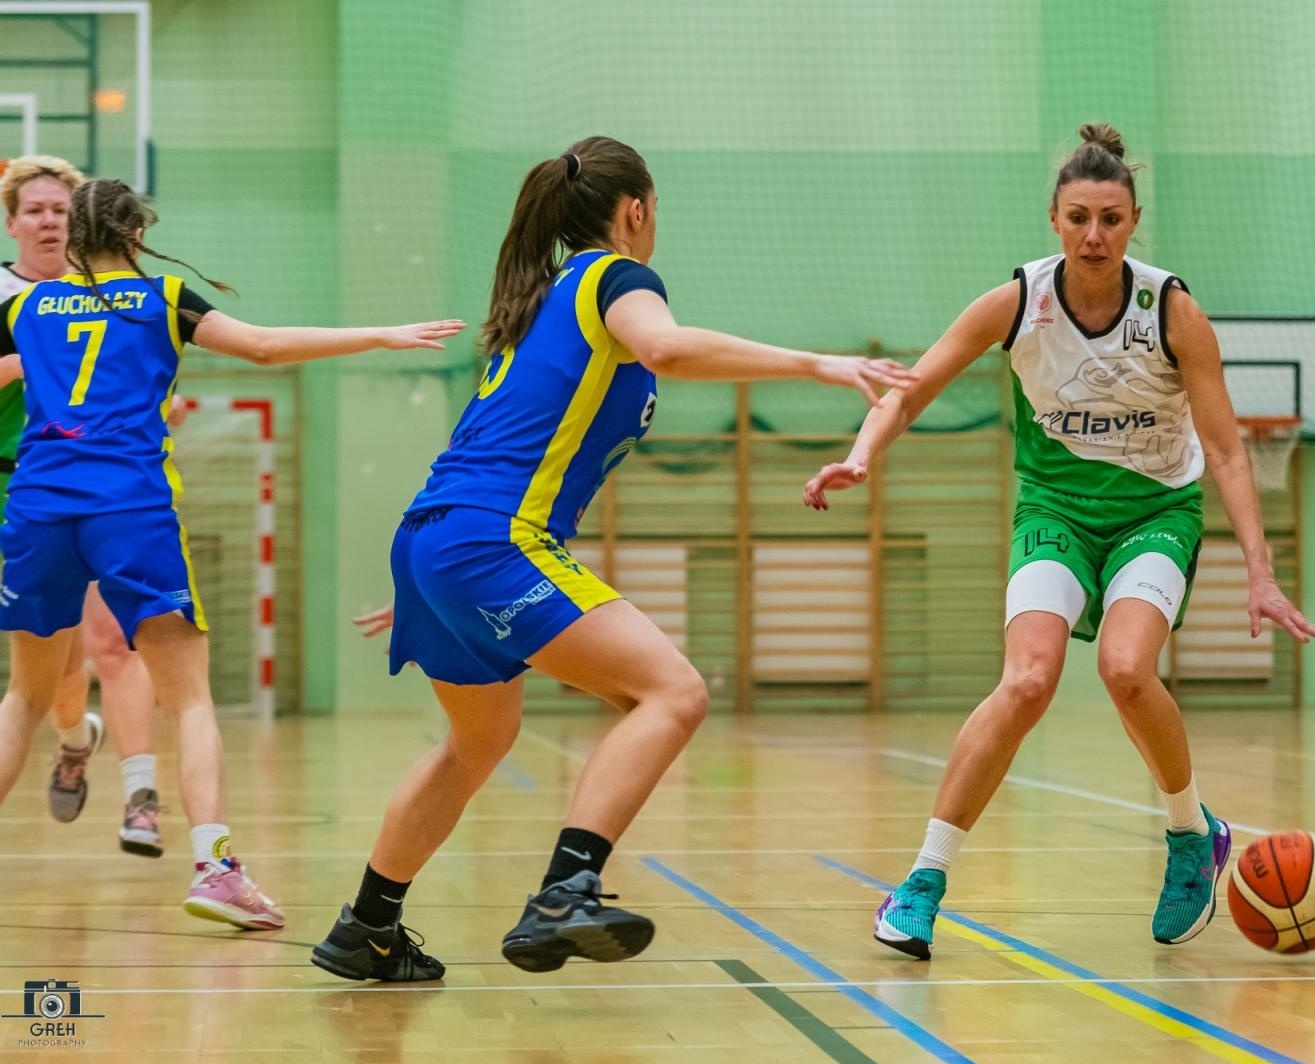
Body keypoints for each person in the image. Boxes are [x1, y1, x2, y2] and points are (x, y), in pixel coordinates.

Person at [310, 135, 916, 982]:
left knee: (475, 744)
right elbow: (665, 348)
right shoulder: (612, 279)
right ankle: (566, 890)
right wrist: (817, 361)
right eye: (656, 207)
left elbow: (487, 441)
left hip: (440, 535)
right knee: (671, 690)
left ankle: (365, 926)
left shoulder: (537, 303)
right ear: (636, 210)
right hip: (490, 539)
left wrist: (428, 575)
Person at [804, 124, 1315, 958]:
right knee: (1027, 680)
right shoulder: (1018, 302)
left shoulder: (1172, 311)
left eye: (1111, 219)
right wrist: (861, 454)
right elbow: (912, 386)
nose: (1094, 234)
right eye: (1079, 216)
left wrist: (1261, 572)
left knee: (1125, 668)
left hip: (1154, 510)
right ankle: (923, 881)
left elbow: (1226, 448)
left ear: (1133, 221)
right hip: (1054, 510)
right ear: (1053, 218)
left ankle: (1191, 834)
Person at [0, 177, 464, 927]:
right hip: (129, 507)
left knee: (23, 696)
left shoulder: (22, 304)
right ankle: (215, 868)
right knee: (188, 699)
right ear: (136, 233)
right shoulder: (163, 294)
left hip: (36, 505)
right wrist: (379, 333)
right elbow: (265, 346)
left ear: (73, 238)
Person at [1, 155, 170, 852]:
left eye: (60, 211)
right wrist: (27, 364)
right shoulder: (15, 301)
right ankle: (76, 741)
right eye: (35, 209)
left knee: (114, 643)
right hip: (20, 488)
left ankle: (141, 796)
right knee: (56, 673)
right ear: (12, 222)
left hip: (101, 486)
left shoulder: (115, 295)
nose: (48, 221)